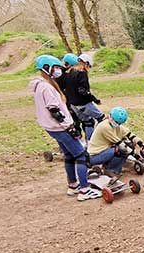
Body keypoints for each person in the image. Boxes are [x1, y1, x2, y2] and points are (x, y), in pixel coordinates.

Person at [30, 54, 100, 201]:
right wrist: (69, 128)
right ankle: (84, 190)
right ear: (47, 68)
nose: (58, 70)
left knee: (69, 155)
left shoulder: (43, 85)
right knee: (81, 155)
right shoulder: (46, 88)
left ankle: (73, 185)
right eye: (55, 68)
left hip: (53, 128)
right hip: (60, 128)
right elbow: (54, 111)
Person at [87, 106, 144, 178]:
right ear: (110, 117)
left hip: (105, 151)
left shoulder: (116, 126)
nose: (117, 124)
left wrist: (142, 145)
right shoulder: (104, 127)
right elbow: (121, 145)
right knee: (121, 150)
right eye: (116, 122)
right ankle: (110, 170)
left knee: (129, 145)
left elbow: (130, 135)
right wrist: (137, 156)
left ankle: (112, 168)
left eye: (119, 123)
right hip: (94, 156)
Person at [63, 53, 104, 141]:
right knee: (102, 118)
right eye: (89, 66)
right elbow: (83, 91)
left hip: (74, 105)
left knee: (88, 122)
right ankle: (100, 141)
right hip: (83, 103)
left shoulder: (69, 73)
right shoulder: (82, 73)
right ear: (86, 63)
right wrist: (95, 99)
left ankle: (89, 144)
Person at [57, 52, 83, 138]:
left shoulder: (60, 73)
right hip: (67, 102)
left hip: (67, 101)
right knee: (74, 122)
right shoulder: (63, 76)